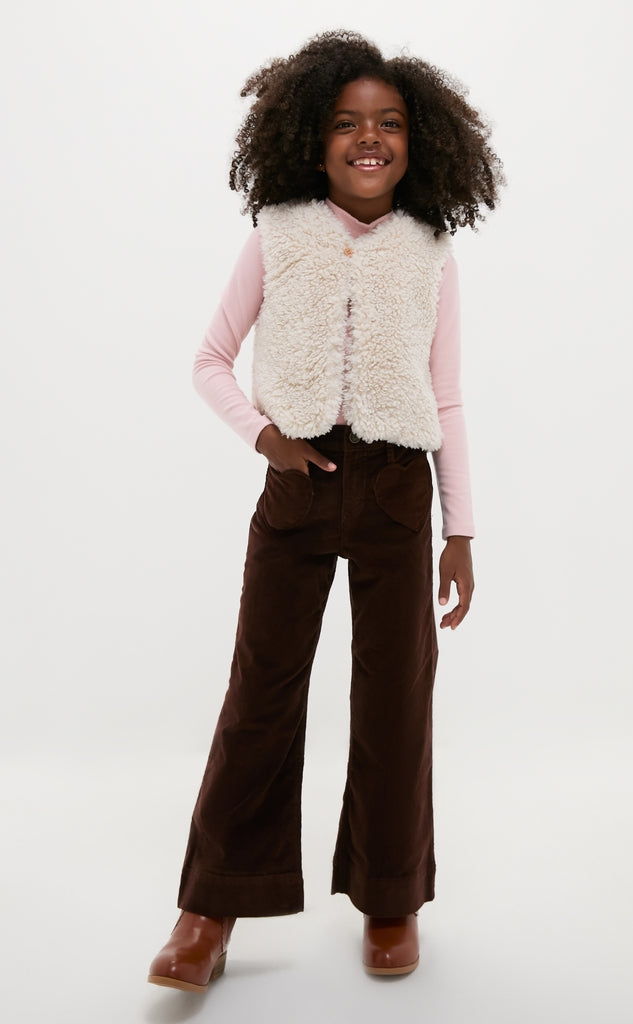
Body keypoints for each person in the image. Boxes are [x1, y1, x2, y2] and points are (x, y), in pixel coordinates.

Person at [148, 29, 504, 992]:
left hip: (396, 489)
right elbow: (208, 360)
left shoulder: (430, 250)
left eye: (388, 123)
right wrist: (265, 438)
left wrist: (459, 528)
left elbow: (451, 395)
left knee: (395, 698)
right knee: (260, 695)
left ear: (418, 142)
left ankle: (390, 895)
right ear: (312, 140)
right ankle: (208, 906)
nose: (367, 138)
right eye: (346, 123)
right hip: (297, 487)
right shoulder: (278, 234)